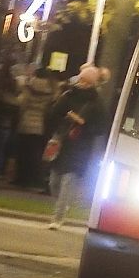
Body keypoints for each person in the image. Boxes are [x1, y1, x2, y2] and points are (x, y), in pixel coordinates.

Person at [44, 64, 105, 227]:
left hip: (80, 146)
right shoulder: (68, 95)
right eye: (82, 80)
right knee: (54, 181)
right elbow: (53, 114)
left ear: (92, 84)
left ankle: (58, 217)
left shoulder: (96, 103)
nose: (82, 83)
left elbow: (101, 126)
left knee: (68, 180)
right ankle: (63, 205)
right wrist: (65, 121)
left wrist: (84, 125)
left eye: (86, 81)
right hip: (62, 142)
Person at [12, 67, 58, 189]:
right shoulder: (51, 89)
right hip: (40, 124)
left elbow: (22, 103)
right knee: (35, 154)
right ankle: (32, 179)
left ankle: (21, 178)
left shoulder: (29, 87)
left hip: (26, 122)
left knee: (23, 153)